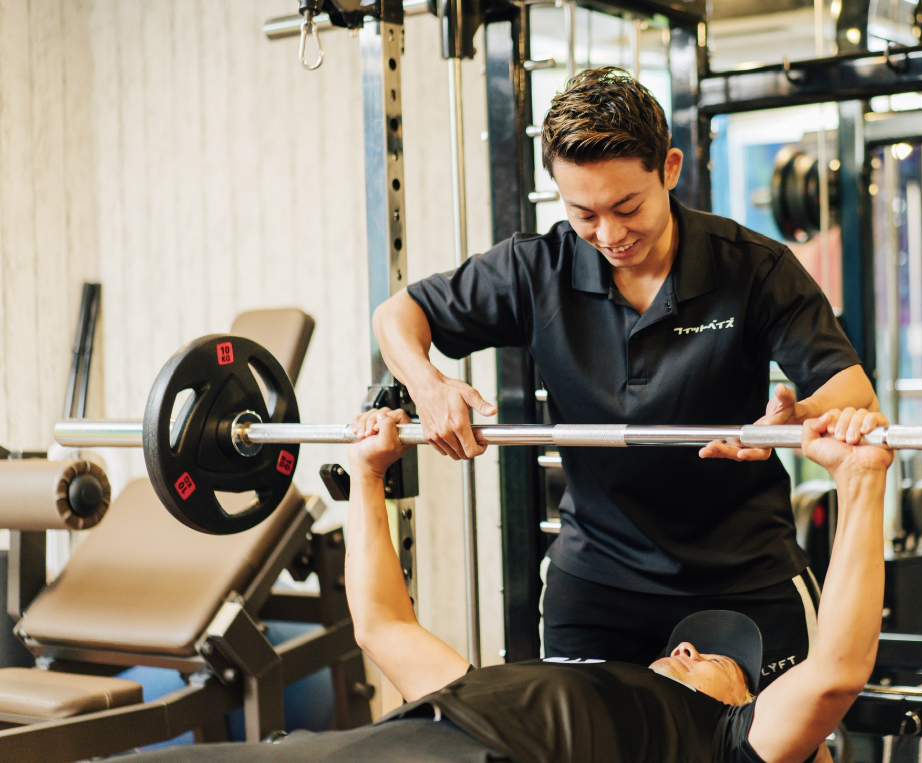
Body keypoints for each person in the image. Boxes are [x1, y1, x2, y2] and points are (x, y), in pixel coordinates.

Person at [373, 66, 885, 687]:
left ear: (669, 169)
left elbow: (851, 392)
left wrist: (796, 418)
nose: (610, 235)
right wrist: (430, 385)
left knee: (777, 748)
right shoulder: (537, 271)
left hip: (746, 574)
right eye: (584, 213)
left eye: (627, 206)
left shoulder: (755, 268)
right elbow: (397, 315)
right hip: (599, 580)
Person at [130, 405, 892, 763]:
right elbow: (382, 628)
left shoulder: (725, 744)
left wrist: (860, 484)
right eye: (687, 646)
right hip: (399, 741)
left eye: (723, 663)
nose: (687, 643)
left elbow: (834, 674)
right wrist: (367, 476)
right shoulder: (497, 686)